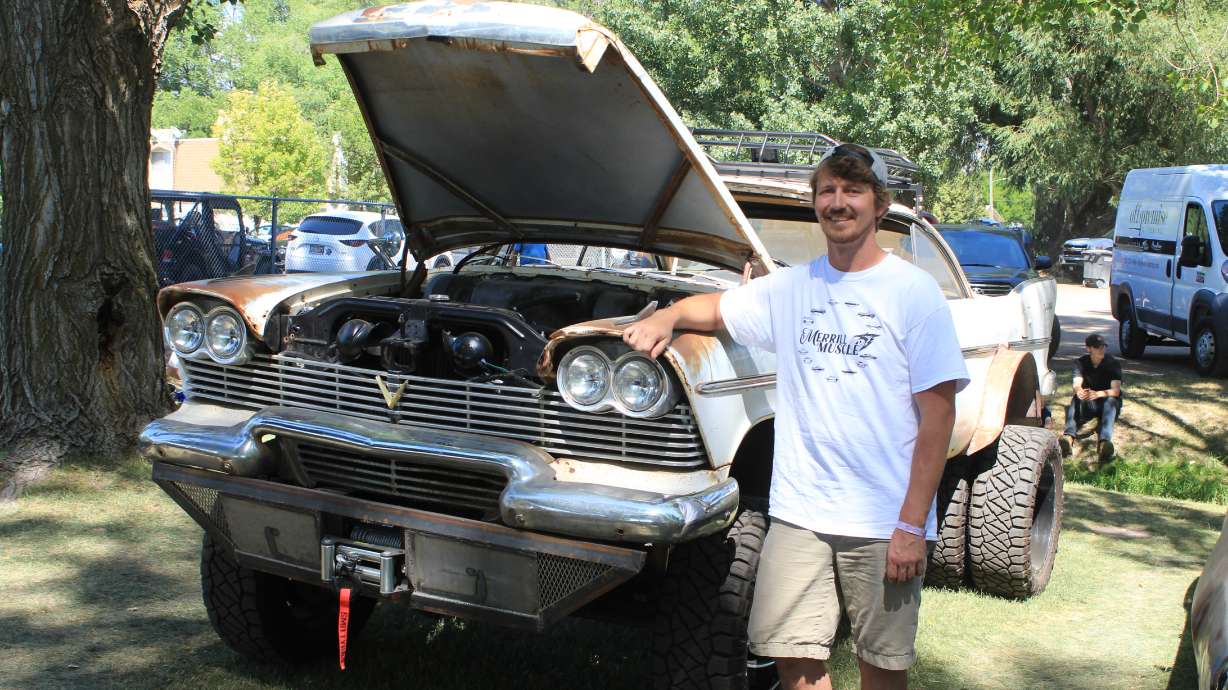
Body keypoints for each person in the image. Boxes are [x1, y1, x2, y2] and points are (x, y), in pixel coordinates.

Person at [623, 143, 968, 690]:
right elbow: (715, 309)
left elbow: (938, 418)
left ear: (879, 205)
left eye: (852, 191)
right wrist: (667, 317)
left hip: (881, 520)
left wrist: (910, 525)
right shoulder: (793, 288)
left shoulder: (914, 294)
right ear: (815, 203)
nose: (838, 202)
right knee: (792, 659)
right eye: (827, 190)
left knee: (882, 666)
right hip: (799, 514)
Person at [1060, 333, 1123, 466]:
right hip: (1090, 401)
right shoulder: (1080, 363)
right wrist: (1080, 392)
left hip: (1105, 400)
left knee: (1110, 401)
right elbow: (1077, 383)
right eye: (1097, 347)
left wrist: (1098, 394)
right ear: (1089, 348)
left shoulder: (1113, 363)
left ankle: (1104, 443)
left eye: (1103, 346)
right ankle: (1068, 438)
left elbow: (1116, 391)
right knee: (1075, 400)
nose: (1101, 349)